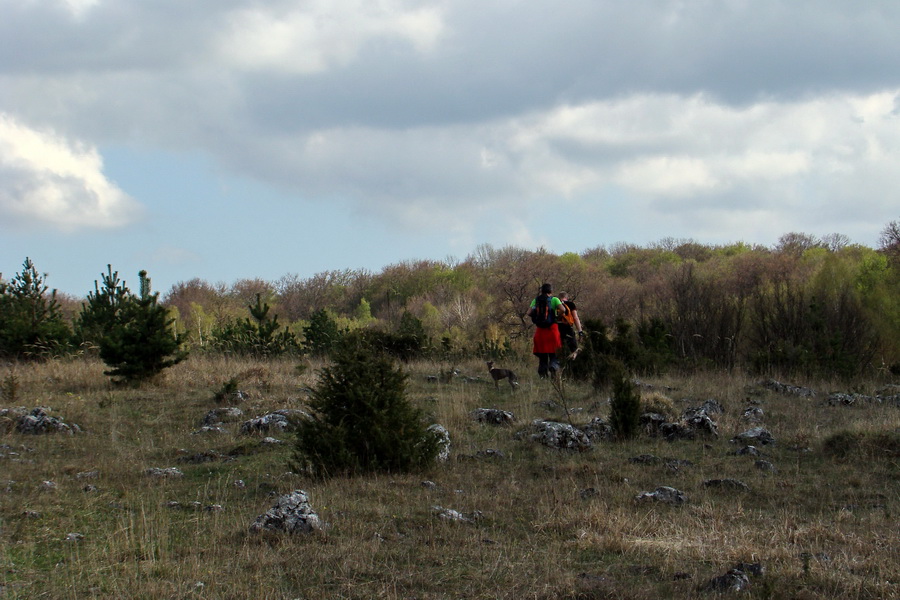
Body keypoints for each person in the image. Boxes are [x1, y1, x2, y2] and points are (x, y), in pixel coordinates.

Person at [524, 283, 563, 378]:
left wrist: (537, 318)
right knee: (554, 354)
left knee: (542, 355)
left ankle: (543, 375)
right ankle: (553, 367)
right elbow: (563, 309)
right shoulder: (554, 299)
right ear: (551, 291)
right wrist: (557, 317)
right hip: (552, 330)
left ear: (541, 291)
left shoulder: (536, 300)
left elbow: (528, 313)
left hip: (540, 331)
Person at [556, 291, 583, 356]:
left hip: (557, 328)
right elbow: (575, 318)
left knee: (559, 350)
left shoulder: (556, 304)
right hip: (568, 328)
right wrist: (580, 331)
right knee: (573, 350)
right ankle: (572, 363)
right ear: (566, 298)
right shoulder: (570, 304)